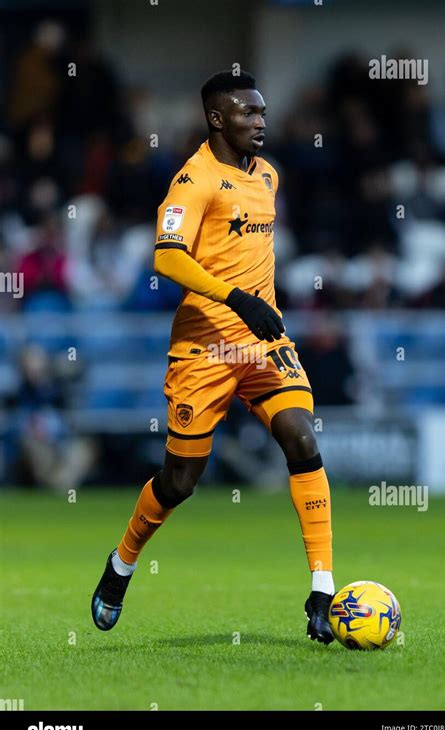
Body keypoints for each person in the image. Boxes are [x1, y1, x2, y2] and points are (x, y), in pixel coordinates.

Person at [91, 71, 335, 644]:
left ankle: (322, 587)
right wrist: (235, 298)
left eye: (264, 112)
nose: (261, 122)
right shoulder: (193, 180)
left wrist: (256, 309)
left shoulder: (268, 175)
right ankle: (122, 564)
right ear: (217, 119)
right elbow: (167, 259)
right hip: (205, 347)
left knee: (301, 436)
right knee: (180, 480)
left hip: (263, 344)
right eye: (248, 114)